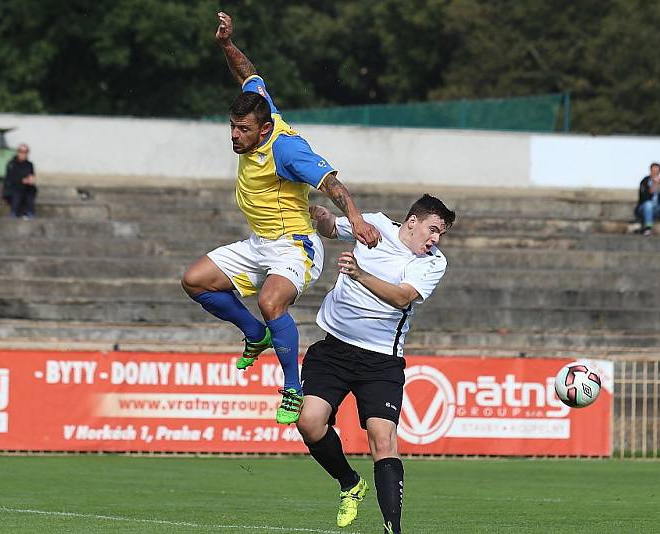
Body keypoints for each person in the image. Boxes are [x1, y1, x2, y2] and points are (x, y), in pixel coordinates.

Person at [180, 12, 380, 425]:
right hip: (260, 242)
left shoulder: (287, 150)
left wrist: (356, 219)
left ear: (264, 127)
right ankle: (254, 334)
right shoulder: (260, 105)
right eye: (232, 127)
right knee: (195, 280)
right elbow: (248, 74)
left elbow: (331, 184)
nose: (235, 136)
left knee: (271, 301)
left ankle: (293, 387)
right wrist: (226, 45)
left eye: (243, 130)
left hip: (295, 247)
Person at [297, 195, 455, 534]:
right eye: (433, 229)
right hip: (334, 349)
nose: (435, 239)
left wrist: (359, 273)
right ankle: (349, 483)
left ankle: (392, 529)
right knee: (309, 422)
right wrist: (319, 215)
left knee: (383, 440)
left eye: (440, 233)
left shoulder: (432, 262)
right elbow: (331, 229)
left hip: (381, 361)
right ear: (412, 221)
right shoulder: (375, 225)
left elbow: (402, 297)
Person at [635, 162, 660, 235]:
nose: (655, 173)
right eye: (654, 171)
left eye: (657, 171)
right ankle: (648, 227)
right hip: (644, 208)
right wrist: (651, 190)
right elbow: (642, 198)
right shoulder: (645, 181)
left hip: (657, 208)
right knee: (648, 204)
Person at [4, 144, 37, 219]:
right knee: (18, 190)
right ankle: (13, 212)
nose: (23, 154)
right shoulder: (12, 164)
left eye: (25, 152)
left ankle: (30, 213)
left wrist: (30, 180)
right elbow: (10, 178)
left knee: (32, 189)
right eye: (21, 151)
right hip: (13, 188)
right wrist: (22, 180)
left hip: (26, 188)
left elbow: (31, 175)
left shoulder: (29, 165)